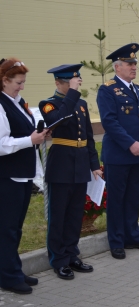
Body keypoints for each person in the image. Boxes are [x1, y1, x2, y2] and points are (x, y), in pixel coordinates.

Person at [97, 43, 139, 260]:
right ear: (117, 67)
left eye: (135, 63)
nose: (134, 67)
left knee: (133, 197)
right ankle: (116, 241)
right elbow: (109, 122)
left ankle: (132, 236)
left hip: (138, 153)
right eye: (129, 64)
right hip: (119, 155)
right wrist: (130, 144)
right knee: (117, 199)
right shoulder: (107, 89)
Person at [40, 64, 102, 280]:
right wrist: (73, 94)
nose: (74, 85)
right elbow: (58, 120)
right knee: (59, 214)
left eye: (76, 82)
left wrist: (94, 164)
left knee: (75, 214)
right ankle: (58, 259)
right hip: (61, 164)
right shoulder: (48, 104)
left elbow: (88, 137)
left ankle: (72, 254)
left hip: (80, 163)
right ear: (58, 83)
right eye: (69, 82)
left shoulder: (82, 104)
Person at [0, 58, 49, 294]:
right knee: (7, 228)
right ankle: (8, 277)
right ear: (4, 80)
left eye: (23, 82)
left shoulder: (16, 102)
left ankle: (13, 270)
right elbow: (1, 144)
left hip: (22, 174)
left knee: (15, 228)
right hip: (7, 176)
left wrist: (37, 134)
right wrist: (30, 140)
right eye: (18, 82)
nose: (22, 87)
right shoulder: (0, 104)